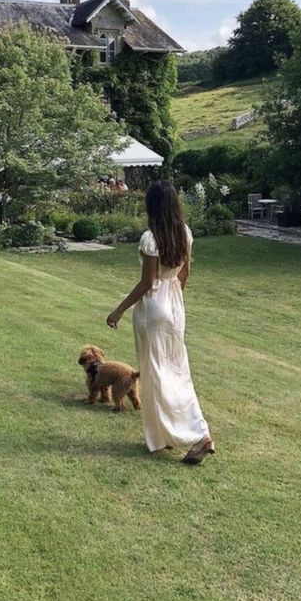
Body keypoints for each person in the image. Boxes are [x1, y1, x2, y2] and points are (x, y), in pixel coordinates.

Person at [106, 180, 215, 464]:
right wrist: (173, 300)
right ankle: (163, 435)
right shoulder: (185, 233)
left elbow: (147, 283)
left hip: (153, 308)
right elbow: (184, 275)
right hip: (174, 306)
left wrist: (118, 310)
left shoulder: (151, 238)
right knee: (176, 371)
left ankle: (199, 434)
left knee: (157, 374)